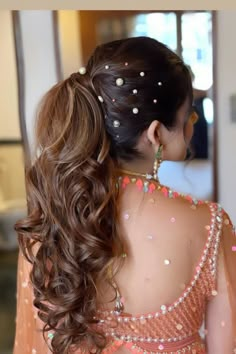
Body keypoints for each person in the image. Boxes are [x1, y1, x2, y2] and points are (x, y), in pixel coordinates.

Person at [13, 37, 236, 354]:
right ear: (156, 134)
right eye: (189, 112)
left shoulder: (51, 222)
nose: (194, 120)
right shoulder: (210, 225)